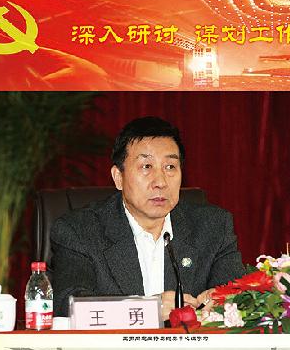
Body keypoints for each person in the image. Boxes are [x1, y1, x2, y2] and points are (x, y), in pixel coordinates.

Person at [50, 116, 245, 319]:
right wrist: (149, 309)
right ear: (118, 177)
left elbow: (239, 295)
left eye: (170, 167)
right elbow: (69, 306)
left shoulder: (213, 227)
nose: (160, 182)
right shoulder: (79, 231)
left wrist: (223, 301)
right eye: (146, 166)